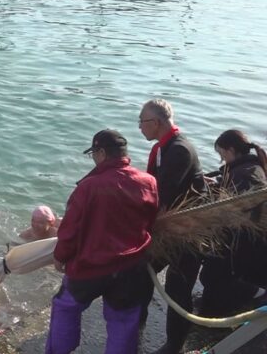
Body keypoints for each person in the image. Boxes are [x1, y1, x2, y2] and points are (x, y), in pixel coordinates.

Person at [46, 130, 158, 354]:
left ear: (102, 152)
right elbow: (151, 221)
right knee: (124, 319)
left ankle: (59, 350)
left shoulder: (88, 187)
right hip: (131, 265)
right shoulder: (148, 181)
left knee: (65, 307)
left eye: (93, 154)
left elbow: (70, 230)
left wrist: (60, 257)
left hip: (91, 266)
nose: (94, 159)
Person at [138, 99, 204, 354]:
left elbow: (161, 198)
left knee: (178, 289)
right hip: (172, 229)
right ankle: (137, 323)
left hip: (187, 234)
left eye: (141, 122)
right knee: (142, 273)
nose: (140, 128)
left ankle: (175, 345)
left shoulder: (179, 151)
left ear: (155, 123)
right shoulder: (165, 147)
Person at [198, 130, 267, 316]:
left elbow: (237, 208)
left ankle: (258, 293)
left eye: (222, 155)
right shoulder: (248, 168)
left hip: (244, 240)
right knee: (210, 278)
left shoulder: (248, 175)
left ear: (231, 150)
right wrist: (217, 184)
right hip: (240, 236)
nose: (221, 160)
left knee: (210, 275)